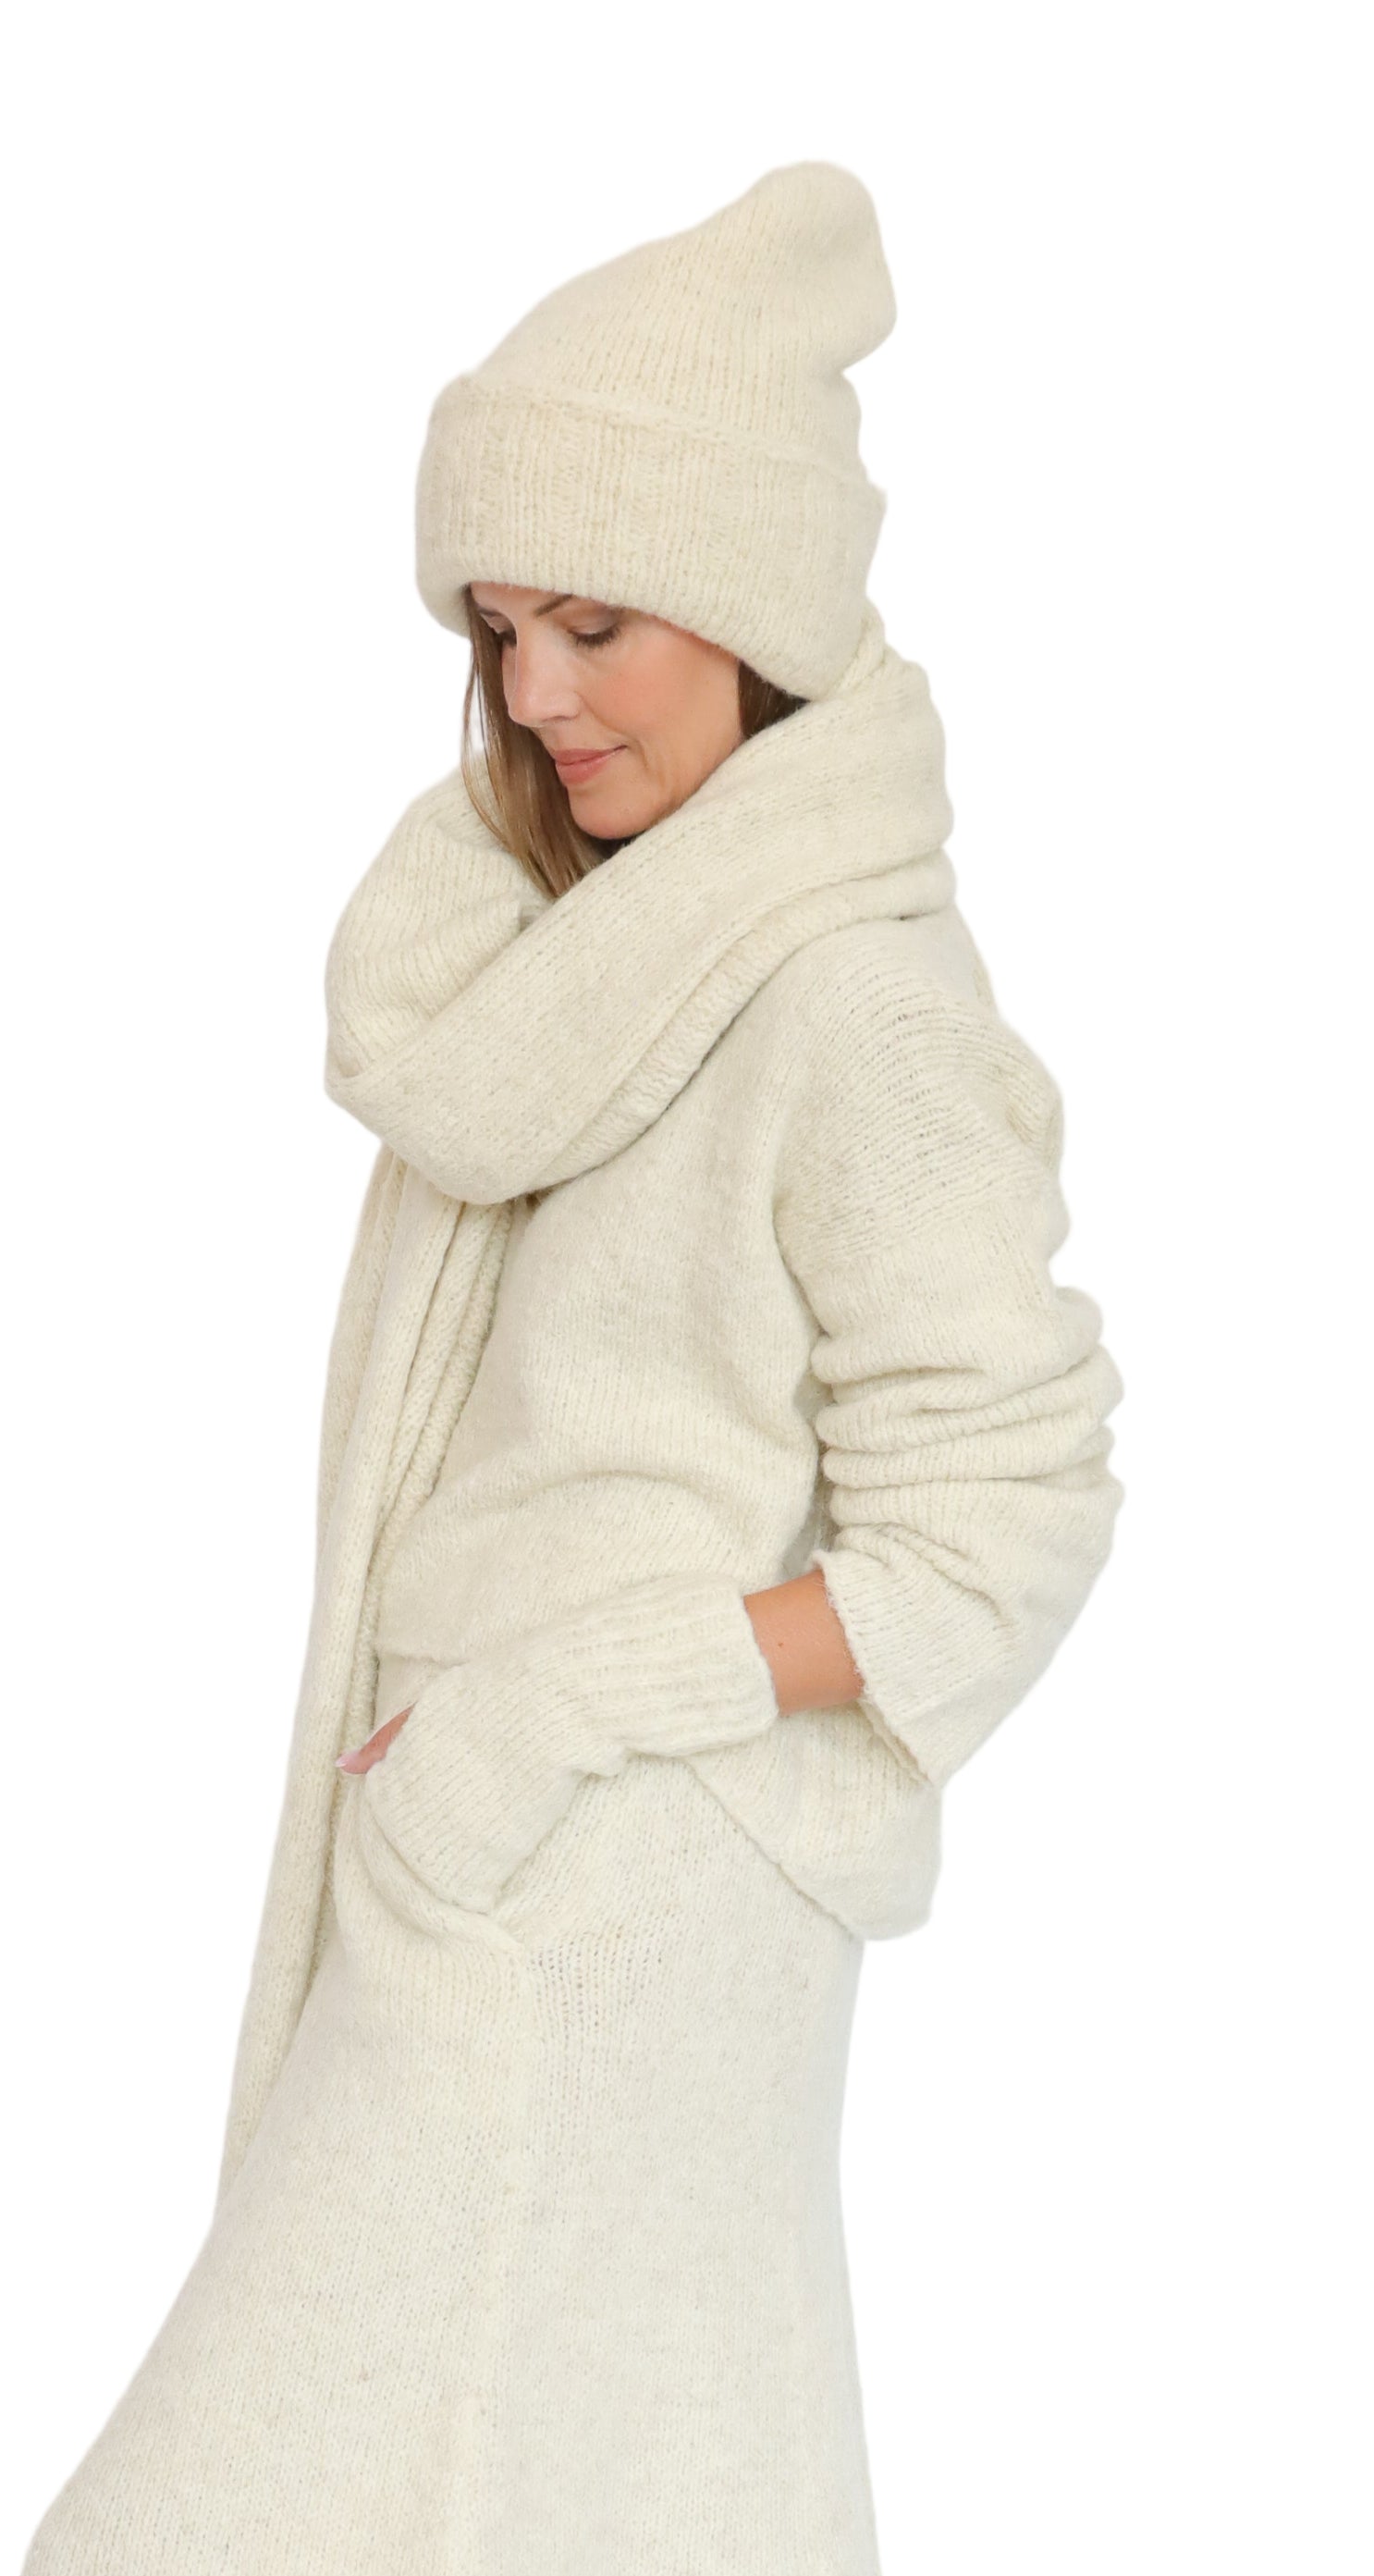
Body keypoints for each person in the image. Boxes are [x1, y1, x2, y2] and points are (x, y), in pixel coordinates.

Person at [22, 158, 1125, 2576]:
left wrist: (554, 1709)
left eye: (596, 625)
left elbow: (1005, 1525)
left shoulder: (855, 1010)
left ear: (752, 609)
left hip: (622, 1874)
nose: (532, 696)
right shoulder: (574, 954)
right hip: (504, 1847)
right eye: (502, 629)